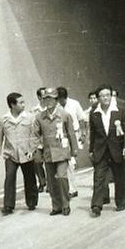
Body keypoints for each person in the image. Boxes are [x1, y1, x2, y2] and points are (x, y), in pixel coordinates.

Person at [31, 88, 78, 216]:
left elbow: (71, 133)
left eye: (51, 98)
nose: (49, 101)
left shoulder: (64, 114)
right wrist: (36, 151)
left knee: (62, 177)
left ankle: (65, 204)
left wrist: (74, 150)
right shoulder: (40, 117)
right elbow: (35, 135)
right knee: (51, 181)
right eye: (46, 98)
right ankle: (56, 206)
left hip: (62, 152)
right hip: (48, 153)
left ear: (56, 100)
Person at [88, 85, 125, 216]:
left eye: (107, 95)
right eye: (102, 96)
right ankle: (96, 205)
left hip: (117, 148)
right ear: (98, 98)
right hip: (101, 148)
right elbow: (93, 132)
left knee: (120, 176)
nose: (105, 98)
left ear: (111, 95)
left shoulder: (121, 108)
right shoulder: (94, 111)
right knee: (99, 177)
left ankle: (121, 201)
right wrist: (91, 150)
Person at [0, 92, 38, 215]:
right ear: (12, 105)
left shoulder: (30, 117)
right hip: (10, 154)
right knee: (9, 178)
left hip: (26, 153)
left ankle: (32, 202)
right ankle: (8, 205)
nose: (24, 105)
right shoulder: (4, 119)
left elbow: (34, 135)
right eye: (21, 102)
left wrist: (32, 149)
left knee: (29, 178)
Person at [58, 87, 84, 198]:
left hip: (75, 134)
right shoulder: (56, 107)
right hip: (63, 138)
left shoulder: (74, 104)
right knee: (69, 164)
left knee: (72, 163)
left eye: (61, 99)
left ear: (65, 97)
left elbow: (81, 119)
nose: (60, 102)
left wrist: (83, 134)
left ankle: (72, 188)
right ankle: (72, 189)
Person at [30, 87, 48, 192]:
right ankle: (42, 182)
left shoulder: (51, 109)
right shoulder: (33, 111)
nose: (45, 98)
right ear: (39, 97)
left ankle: (50, 184)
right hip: (38, 141)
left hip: (49, 140)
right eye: (43, 96)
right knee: (37, 162)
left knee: (50, 163)